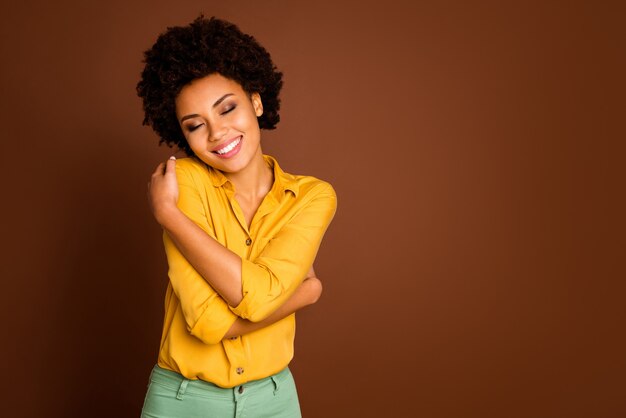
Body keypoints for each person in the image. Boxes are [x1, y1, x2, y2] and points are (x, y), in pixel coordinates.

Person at [136, 16, 337, 417]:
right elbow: (207, 323)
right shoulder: (184, 184)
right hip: (183, 401)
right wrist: (305, 293)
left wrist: (168, 215)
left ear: (256, 102)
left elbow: (256, 301)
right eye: (195, 126)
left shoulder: (311, 197)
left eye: (227, 108)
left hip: (274, 399)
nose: (217, 133)